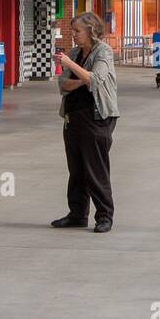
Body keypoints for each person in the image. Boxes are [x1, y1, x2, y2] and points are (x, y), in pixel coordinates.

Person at [52, 13, 119, 232]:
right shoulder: (74, 52)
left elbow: (96, 80)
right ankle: (77, 213)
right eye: (72, 31)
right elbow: (63, 84)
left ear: (91, 31)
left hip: (96, 117)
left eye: (77, 31)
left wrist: (74, 69)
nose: (73, 35)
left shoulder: (103, 51)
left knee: (95, 169)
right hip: (73, 117)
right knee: (77, 169)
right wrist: (82, 79)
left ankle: (104, 216)